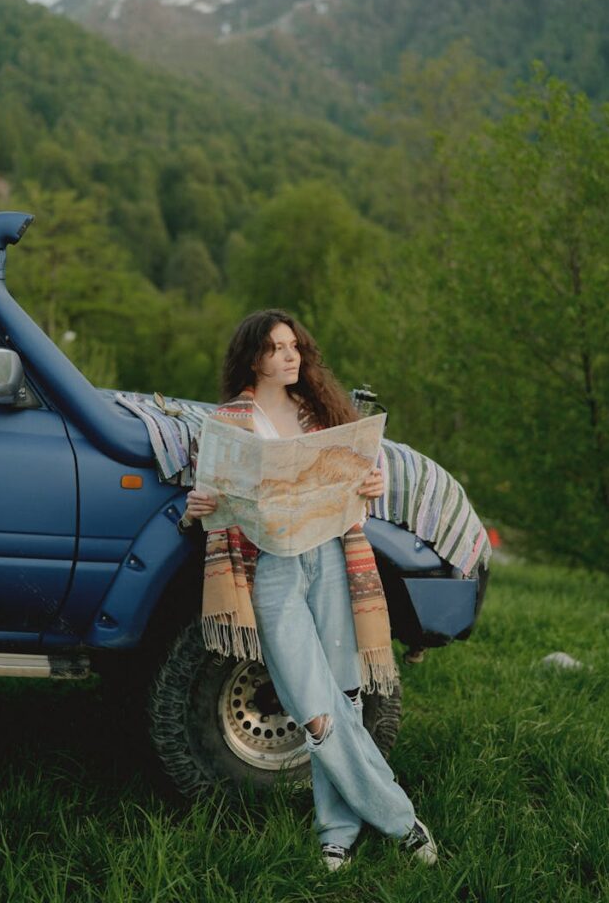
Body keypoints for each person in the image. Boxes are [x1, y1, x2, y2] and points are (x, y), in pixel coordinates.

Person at [180, 308, 437, 871]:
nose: (291, 356)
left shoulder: (321, 414)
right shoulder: (229, 419)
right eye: (277, 348)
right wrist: (198, 506)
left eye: (294, 346)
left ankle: (336, 834)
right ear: (254, 358)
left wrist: (373, 481)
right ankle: (401, 820)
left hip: (331, 556)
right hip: (270, 566)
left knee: (344, 694)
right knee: (314, 710)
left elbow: (362, 479)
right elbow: (211, 499)